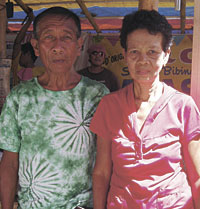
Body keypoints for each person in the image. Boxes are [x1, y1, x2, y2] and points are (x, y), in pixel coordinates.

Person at [0, 7, 109, 209]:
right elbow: (9, 162)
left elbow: (106, 163)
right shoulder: (20, 98)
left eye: (66, 37)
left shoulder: (99, 95)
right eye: (49, 37)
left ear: (79, 45)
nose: (57, 47)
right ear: (36, 46)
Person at [90, 10, 200, 209]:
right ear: (124, 55)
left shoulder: (183, 106)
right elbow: (101, 173)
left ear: (166, 55)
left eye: (152, 52)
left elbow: (197, 175)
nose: (143, 60)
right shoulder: (109, 105)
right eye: (134, 52)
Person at [11, 7, 34, 86]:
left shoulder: (37, 71)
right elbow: (17, 41)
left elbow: (18, 41)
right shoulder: (17, 64)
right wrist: (29, 21)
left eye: (22, 55)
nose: (19, 56)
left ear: (28, 54)